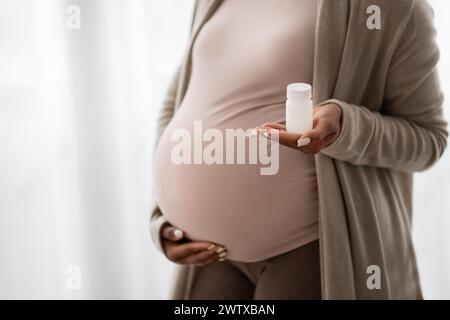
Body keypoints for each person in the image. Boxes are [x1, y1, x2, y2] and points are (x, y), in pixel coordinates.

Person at [150, 0, 448, 300]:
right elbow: (177, 101)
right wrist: (166, 212)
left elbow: (429, 138)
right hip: (208, 253)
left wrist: (347, 127)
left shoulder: (391, 8)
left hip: (310, 246)